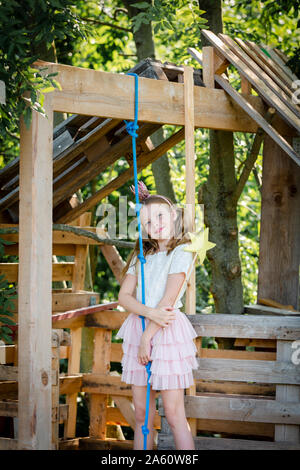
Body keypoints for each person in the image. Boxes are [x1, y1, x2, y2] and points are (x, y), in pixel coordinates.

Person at [116, 180, 199, 450]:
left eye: (160, 216)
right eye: (148, 223)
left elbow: (168, 300)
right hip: (138, 329)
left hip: (166, 334)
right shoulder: (141, 256)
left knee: (174, 415)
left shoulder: (182, 251)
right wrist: (147, 317)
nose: (155, 225)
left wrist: (147, 338)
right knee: (142, 414)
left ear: (173, 214)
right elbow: (123, 297)